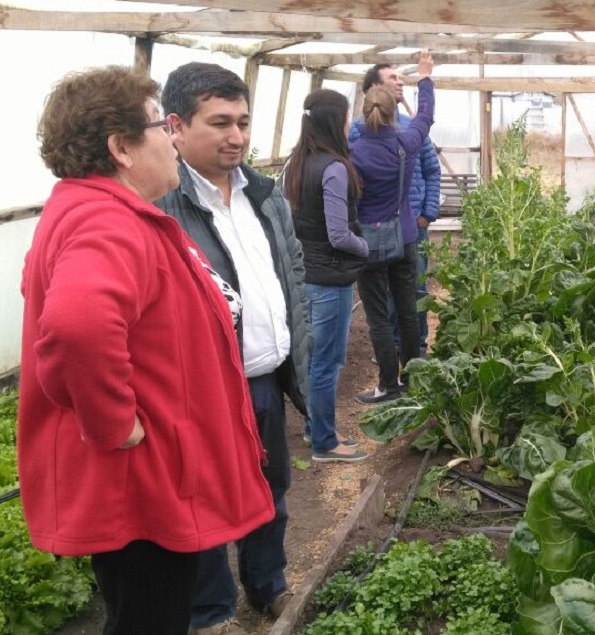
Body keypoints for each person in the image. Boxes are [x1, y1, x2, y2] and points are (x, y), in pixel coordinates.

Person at [19, 66, 274, 635]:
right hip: (140, 480)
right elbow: (77, 324)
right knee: (150, 617)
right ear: (121, 148)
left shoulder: (99, 211)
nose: (172, 139)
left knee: (145, 611)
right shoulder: (107, 220)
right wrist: (114, 422)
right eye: (161, 126)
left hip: (145, 480)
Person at [156, 62, 312, 635]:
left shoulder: (264, 194)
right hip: (202, 390)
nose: (237, 137)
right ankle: (212, 612)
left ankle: (268, 584)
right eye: (220, 122)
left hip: (265, 377)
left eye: (243, 122)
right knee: (205, 500)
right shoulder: (163, 204)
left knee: (271, 488)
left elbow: (292, 264)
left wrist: (301, 337)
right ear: (175, 126)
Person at [283, 89, 370, 463]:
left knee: (310, 356)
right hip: (331, 280)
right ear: (335, 121)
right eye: (347, 117)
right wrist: (366, 248)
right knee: (327, 362)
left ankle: (312, 427)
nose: (350, 124)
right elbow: (338, 234)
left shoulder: (295, 163)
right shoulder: (334, 168)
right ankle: (325, 442)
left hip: (304, 275)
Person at [350, 50, 435, 404]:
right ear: (391, 112)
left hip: (369, 244)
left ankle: (388, 385)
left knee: (379, 318)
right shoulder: (406, 142)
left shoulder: (352, 152)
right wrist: (425, 77)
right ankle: (413, 379)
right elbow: (425, 116)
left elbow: (348, 197)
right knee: (407, 309)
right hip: (404, 238)